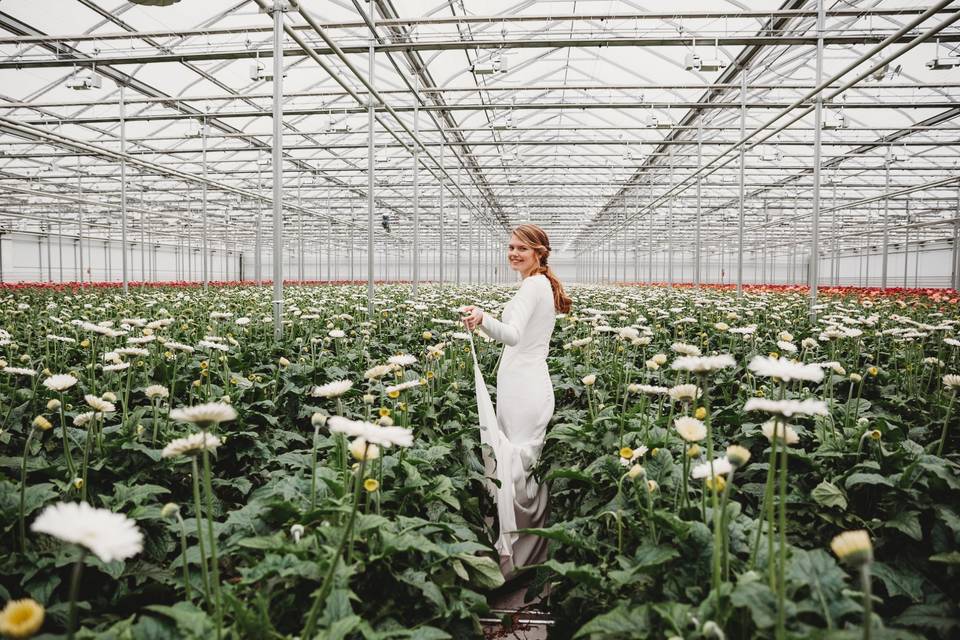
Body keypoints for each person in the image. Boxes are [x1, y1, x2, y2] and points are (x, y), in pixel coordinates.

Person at [462, 224, 572, 579]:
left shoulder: (532, 285)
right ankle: (530, 551)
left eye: (521, 248)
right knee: (523, 469)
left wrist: (482, 319)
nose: (513, 253)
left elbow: (513, 336)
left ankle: (518, 561)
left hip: (523, 391)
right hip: (526, 386)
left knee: (516, 469)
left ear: (539, 252)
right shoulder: (541, 284)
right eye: (510, 247)